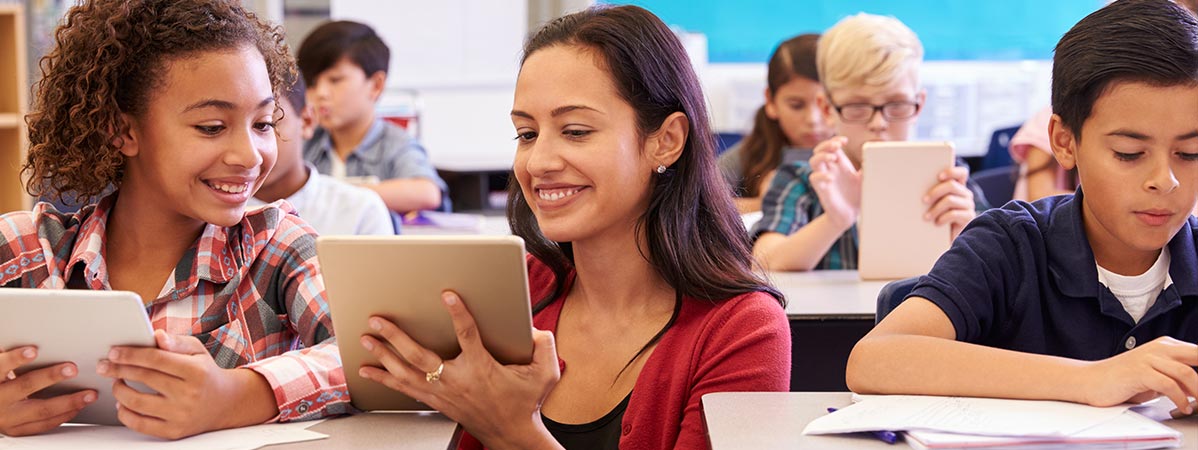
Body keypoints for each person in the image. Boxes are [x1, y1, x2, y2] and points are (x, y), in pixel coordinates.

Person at [352, 5, 791, 449]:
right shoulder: (510, 290)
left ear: (667, 141)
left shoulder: (743, 330)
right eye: (526, 134)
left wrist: (513, 432)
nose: (538, 162)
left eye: (576, 131)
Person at [0, 0, 348, 438]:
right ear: (123, 131)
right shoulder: (26, 249)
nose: (249, 155)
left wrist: (235, 396)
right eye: (211, 127)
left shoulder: (278, 246)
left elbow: (367, 359)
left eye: (262, 123)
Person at [846, 0, 1198, 414]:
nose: (1166, 179)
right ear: (1065, 142)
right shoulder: (1011, 244)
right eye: (1128, 152)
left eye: (1190, 153)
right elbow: (874, 360)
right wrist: (1095, 377)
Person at [751, 13, 989, 271]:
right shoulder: (803, 180)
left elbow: (1001, 275)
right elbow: (764, 262)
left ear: (919, 105)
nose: (878, 123)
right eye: (857, 106)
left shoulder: (949, 179)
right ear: (828, 109)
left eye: (897, 105)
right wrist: (835, 220)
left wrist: (967, 234)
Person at [298, 20, 448, 214]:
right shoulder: (306, 142)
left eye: (335, 80)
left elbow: (428, 193)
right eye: (312, 83)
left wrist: (336, 194)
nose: (320, 93)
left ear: (376, 85)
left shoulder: (395, 144)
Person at [249, 72, 394, 235]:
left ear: (306, 120)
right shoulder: (216, 218)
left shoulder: (361, 211)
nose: (246, 148)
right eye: (217, 126)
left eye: (264, 125)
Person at [717, 34, 831, 213]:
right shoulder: (749, 154)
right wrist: (763, 203)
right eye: (796, 105)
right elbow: (695, 205)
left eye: (825, 105)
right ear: (770, 101)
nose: (813, 119)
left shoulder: (860, 149)